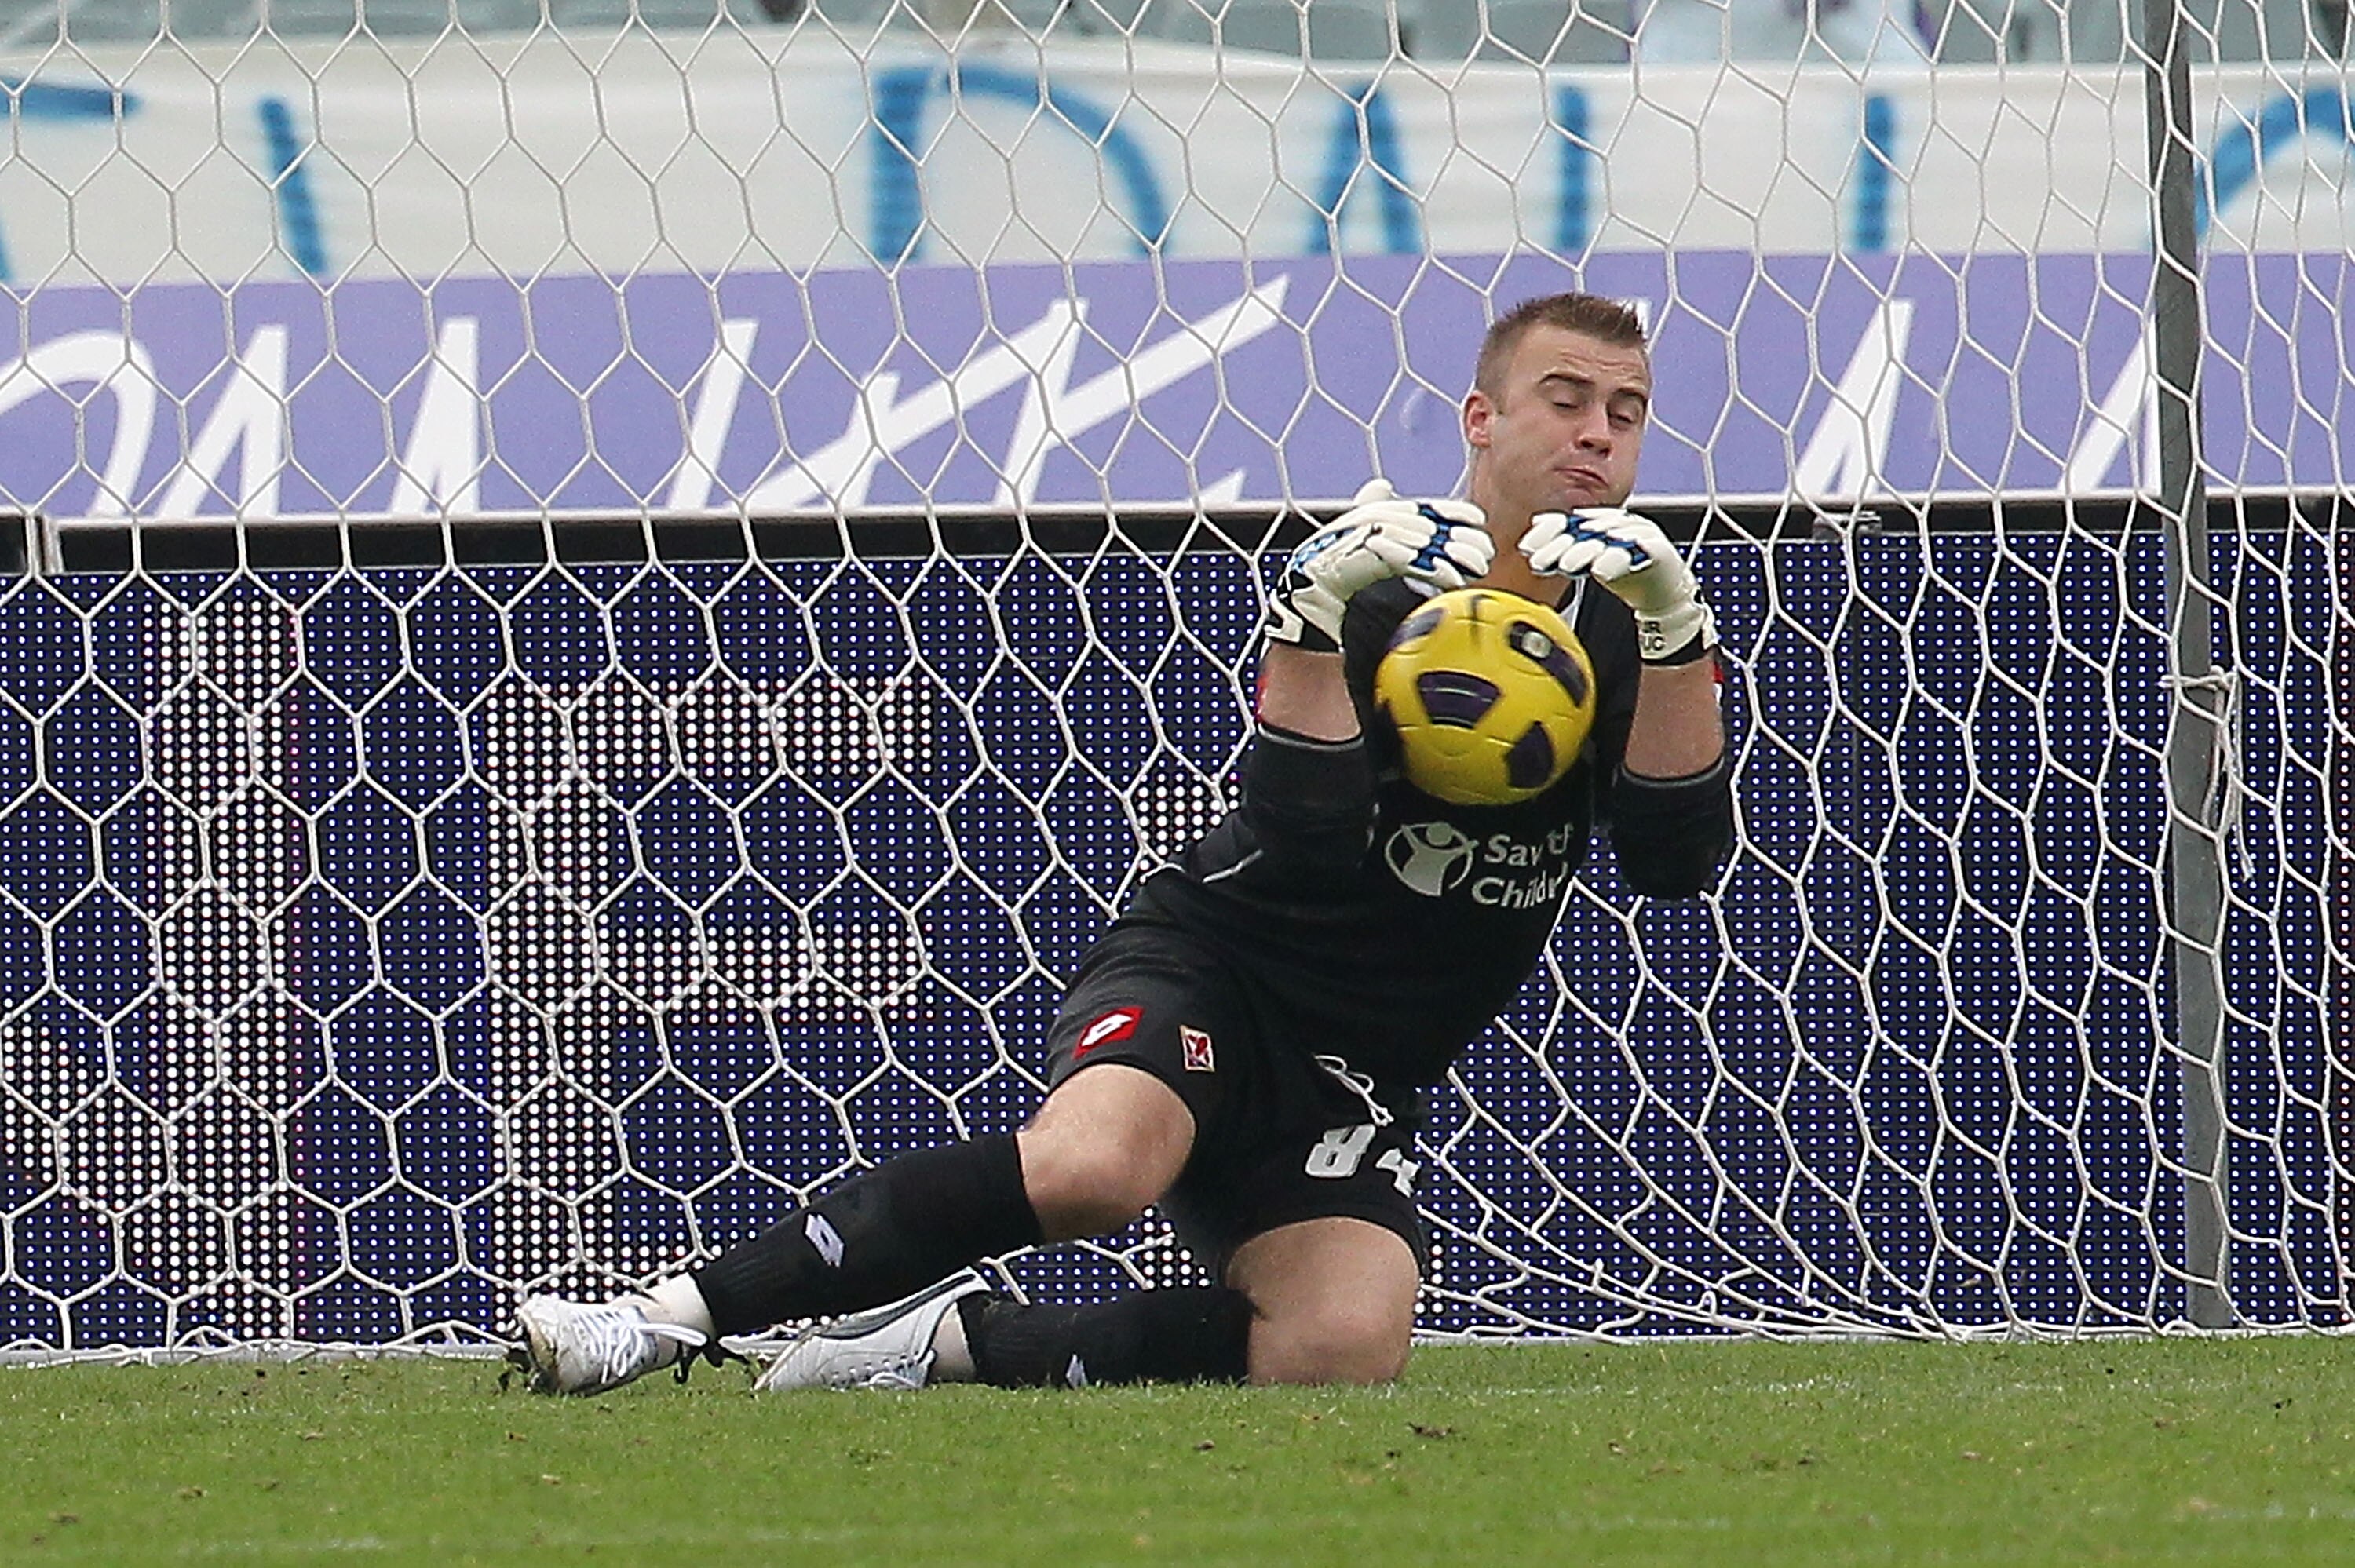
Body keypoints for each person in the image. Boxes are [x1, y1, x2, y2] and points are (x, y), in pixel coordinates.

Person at [510, 290, 1734, 1395]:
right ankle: (659, 1321)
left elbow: (1677, 866)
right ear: (1481, 416)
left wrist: (1679, 630)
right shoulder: (1372, 583)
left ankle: (949, 1344)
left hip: (1360, 1062)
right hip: (1221, 969)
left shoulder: (1641, 626)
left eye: (1626, 413)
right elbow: (1304, 843)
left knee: (1341, 1345)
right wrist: (1305, 614)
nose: (1598, 436)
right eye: (1565, 401)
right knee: (1099, 1167)